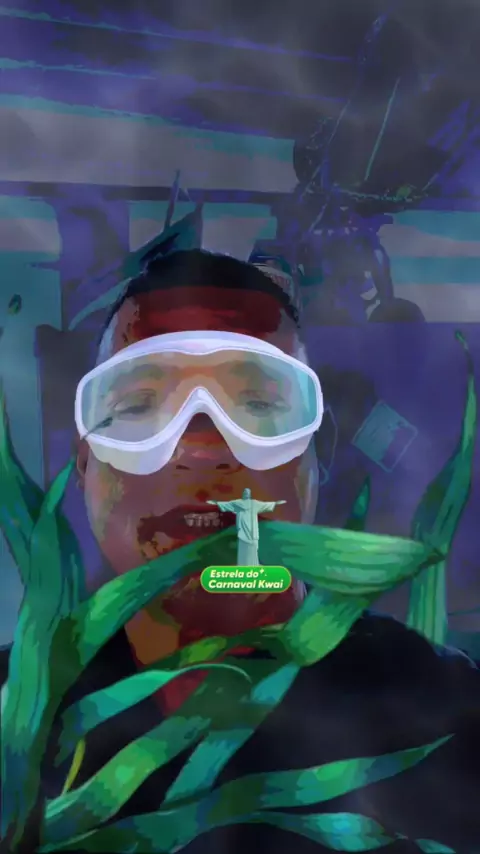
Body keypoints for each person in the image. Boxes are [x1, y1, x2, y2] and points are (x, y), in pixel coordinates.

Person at [1, 248, 479, 854]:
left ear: (318, 452)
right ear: (84, 461)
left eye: (259, 406)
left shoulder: (453, 710)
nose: (201, 445)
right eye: (138, 406)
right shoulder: (14, 715)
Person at [206, 489, 287, 565]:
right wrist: (216, 503)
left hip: (252, 529)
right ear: (243, 494)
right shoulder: (239, 503)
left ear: (250, 494)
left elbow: (265, 505)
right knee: (243, 546)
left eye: (248, 493)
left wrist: (276, 503)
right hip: (243, 529)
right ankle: (243, 563)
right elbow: (227, 504)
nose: (246, 494)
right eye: (245, 492)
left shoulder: (254, 503)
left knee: (253, 546)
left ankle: (253, 564)